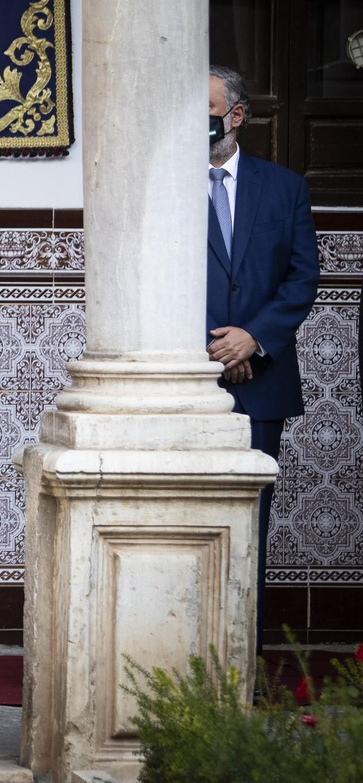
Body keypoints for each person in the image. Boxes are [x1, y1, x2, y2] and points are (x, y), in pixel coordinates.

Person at [205, 65, 318, 651]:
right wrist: (215, 348)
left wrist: (252, 338)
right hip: (185, 382)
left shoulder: (284, 188)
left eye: (208, 109)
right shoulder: (163, 187)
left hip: (263, 384)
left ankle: (239, 665)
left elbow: (302, 281)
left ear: (237, 115)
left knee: (250, 526)